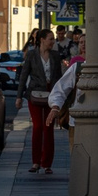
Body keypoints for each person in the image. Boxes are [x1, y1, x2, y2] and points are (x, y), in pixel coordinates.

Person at [20, 29, 62, 175]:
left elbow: (59, 77)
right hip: (35, 94)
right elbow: (24, 75)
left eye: (53, 39)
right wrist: (19, 96)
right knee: (38, 127)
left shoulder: (55, 56)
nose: (53, 41)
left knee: (48, 128)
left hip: (51, 94)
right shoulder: (32, 54)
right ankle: (36, 162)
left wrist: (60, 97)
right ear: (42, 40)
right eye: (50, 39)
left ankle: (47, 164)